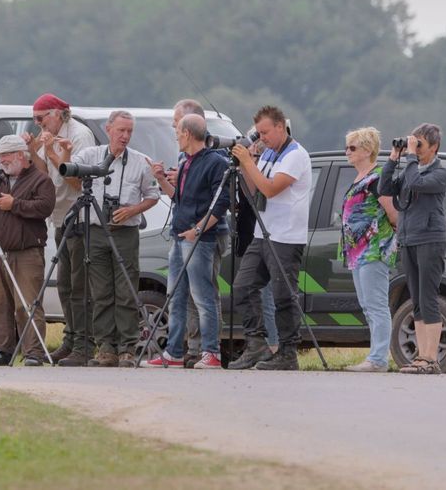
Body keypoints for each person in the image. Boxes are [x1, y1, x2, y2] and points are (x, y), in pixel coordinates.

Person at [71, 110, 159, 367]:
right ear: (109, 129)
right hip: (96, 229)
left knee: (126, 290)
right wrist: (59, 153)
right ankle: (106, 347)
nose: (125, 136)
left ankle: (127, 348)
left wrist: (132, 210)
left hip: (125, 232)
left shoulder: (141, 161)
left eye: (129, 131)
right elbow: (70, 173)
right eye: (121, 130)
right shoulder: (91, 155)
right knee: (101, 292)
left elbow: (152, 196)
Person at [228, 105, 311, 370]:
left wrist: (250, 163)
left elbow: (271, 189)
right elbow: (254, 190)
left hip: (286, 236)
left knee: (282, 294)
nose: (262, 138)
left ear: (280, 127)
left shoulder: (295, 155)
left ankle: (288, 352)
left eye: (265, 132)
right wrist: (244, 166)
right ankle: (256, 344)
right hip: (262, 232)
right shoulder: (267, 154)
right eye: (259, 133)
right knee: (242, 285)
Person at [142, 114, 228, 369]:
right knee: (175, 295)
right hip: (179, 236)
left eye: (178, 133)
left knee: (202, 296)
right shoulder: (185, 162)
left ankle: (211, 351)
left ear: (188, 134)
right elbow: (178, 199)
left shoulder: (215, 162)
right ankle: (174, 352)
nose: (176, 137)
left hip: (198, 239)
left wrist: (198, 230)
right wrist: (160, 179)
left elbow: (220, 203)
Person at [22, 92, 95, 367]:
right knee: (65, 285)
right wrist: (33, 151)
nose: (38, 124)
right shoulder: (49, 134)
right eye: (35, 120)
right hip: (60, 217)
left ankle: (84, 345)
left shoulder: (78, 135)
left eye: (40, 118)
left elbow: (78, 182)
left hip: (79, 216)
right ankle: (70, 339)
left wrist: (52, 152)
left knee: (79, 285)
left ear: (56, 113)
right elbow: (43, 172)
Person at [0, 135, 56, 367]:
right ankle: (2, 350)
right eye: (0, 156)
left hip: (27, 251)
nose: (1, 160)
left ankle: (33, 352)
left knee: (27, 303)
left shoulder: (41, 180)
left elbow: (45, 207)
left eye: (6, 155)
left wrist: (15, 205)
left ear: (21, 155)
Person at [378, 123, 446, 374]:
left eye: (419, 145)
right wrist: (393, 159)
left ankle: (431, 359)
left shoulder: (440, 174)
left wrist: (408, 158)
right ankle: (421, 356)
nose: (415, 149)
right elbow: (384, 189)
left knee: (428, 298)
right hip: (409, 239)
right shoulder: (410, 169)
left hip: (430, 239)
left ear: (434, 146)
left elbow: (416, 182)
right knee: (416, 299)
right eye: (413, 143)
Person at [340, 127, 398, 372]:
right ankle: (375, 355)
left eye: (352, 148)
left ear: (367, 150)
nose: (347, 152)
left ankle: (378, 358)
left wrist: (389, 234)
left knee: (376, 303)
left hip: (373, 247)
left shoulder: (376, 178)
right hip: (357, 250)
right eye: (347, 147)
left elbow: (392, 212)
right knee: (366, 303)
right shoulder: (358, 177)